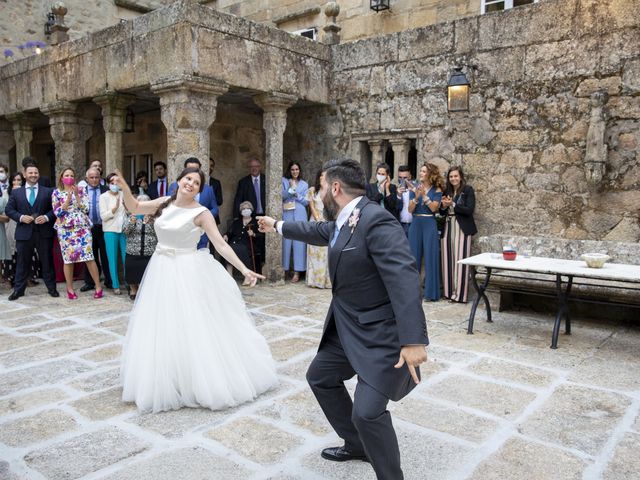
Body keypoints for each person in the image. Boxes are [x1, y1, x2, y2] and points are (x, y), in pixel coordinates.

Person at [258, 159, 428, 480]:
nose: (319, 192)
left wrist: (413, 338)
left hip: (380, 335)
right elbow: (321, 231)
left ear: (335, 188)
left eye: (321, 186)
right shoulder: (344, 220)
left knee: (367, 414)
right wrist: (278, 226)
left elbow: (405, 277)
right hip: (346, 328)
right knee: (320, 376)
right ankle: (357, 445)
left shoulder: (377, 221)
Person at [117, 167, 276, 413]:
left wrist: (244, 269)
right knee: (163, 324)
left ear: (200, 190)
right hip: (161, 269)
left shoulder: (202, 214)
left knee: (192, 323)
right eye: (188, 178)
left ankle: (198, 378)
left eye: (196, 182)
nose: (190, 183)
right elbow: (135, 207)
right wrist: (125, 188)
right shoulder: (164, 203)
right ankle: (169, 377)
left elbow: (220, 245)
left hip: (187, 269)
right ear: (179, 180)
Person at [5, 163, 59, 300]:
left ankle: (52, 288)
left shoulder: (48, 191)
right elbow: (9, 210)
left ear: (38, 174)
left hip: (44, 232)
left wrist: (46, 217)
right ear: (24, 175)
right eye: (30, 173)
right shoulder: (16, 192)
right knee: (22, 262)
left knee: (47, 261)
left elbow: (55, 210)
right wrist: (21, 217)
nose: (33, 175)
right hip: (24, 233)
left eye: (36, 172)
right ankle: (18, 290)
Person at [51, 167, 104, 299]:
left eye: (72, 175)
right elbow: (58, 212)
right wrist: (68, 199)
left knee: (89, 257)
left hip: (82, 227)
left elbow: (86, 208)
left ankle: (98, 286)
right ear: (62, 178)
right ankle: (70, 289)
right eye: (67, 175)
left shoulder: (81, 190)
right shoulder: (56, 193)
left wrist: (76, 196)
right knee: (68, 259)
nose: (69, 177)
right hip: (65, 229)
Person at [440, 166, 477, 303]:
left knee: (460, 260)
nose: (453, 179)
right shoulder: (447, 191)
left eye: (455, 176)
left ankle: (460, 295)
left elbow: (469, 210)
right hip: (448, 225)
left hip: (462, 226)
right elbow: (442, 212)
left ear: (460, 177)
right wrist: (443, 206)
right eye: (451, 176)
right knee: (447, 259)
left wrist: (454, 204)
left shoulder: (467, 190)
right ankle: (449, 293)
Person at [408, 162, 444, 301]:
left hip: (429, 223)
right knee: (413, 257)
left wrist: (424, 196)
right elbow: (410, 210)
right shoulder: (414, 188)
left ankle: (431, 293)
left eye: (424, 171)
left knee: (431, 257)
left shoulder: (437, 190)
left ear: (430, 174)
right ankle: (412, 292)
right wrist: (416, 197)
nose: (421, 173)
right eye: (421, 171)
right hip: (416, 223)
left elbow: (434, 208)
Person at [168, 157, 219, 250]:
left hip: (201, 235)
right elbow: (169, 207)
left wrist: (203, 218)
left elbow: (215, 209)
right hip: (179, 234)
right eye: (189, 169)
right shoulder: (174, 186)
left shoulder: (208, 189)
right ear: (184, 170)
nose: (193, 172)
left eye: (196, 169)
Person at [79, 167, 112, 292]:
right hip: (88, 228)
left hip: (104, 227)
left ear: (100, 178)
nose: (94, 180)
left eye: (96, 177)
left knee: (105, 255)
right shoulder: (81, 192)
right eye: (91, 177)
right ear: (87, 179)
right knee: (89, 255)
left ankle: (109, 281)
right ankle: (90, 282)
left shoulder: (106, 190)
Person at [123, 194, 158, 300]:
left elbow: (159, 232)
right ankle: (133, 289)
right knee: (132, 271)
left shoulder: (155, 216)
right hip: (133, 251)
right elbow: (125, 231)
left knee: (148, 273)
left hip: (149, 251)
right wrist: (132, 220)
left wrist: (152, 220)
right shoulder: (130, 215)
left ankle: (145, 290)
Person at [233, 157, 266, 270]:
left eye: (256, 166)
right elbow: (238, 200)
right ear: (249, 168)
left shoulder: (266, 180)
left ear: (260, 167)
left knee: (265, 239)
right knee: (253, 239)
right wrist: (236, 217)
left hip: (265, 214)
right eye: (252, 167)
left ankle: (263, 262)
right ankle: (253, 266)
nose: (254, 168)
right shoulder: (243, 182)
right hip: (250, 217)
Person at [100, 173, 127, 295]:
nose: (115, 184)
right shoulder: (103, 197)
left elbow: (130, 211)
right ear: (108, 184)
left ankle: (128, 283)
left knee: (126, 258)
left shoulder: (124, 194)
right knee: (112, 259)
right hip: (110, 230)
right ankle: (115, 285)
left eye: (117, 182)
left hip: (124, 230)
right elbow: (103, 216)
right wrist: (114, 208)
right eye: (112, 182)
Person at [223, 201, 261, 286]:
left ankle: (247, 276)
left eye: (247, 208)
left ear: (251, 210)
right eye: (243, 209)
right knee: (229, 248)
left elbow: (262, 235)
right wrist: (226, 235)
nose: (245, 210)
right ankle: (229, 275)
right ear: (240, 211)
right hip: (235, 243)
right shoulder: (237, 222)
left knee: (240, 249)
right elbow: (230, 231)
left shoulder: (256, 222)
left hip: (249, 244)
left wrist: (254, 234)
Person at [281, 161, 309, 282]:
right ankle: (285, 269)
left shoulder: (304, 184)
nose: (295, 172)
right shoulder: (283, 180)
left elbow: (307, 202)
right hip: (287, 213)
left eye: (297, 169)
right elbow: (281, 196)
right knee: (286, 242)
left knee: (299, 243)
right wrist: (290, 190)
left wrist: (296, 193)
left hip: (300, 214)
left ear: (300, 170)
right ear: (289, 170)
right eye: (292, 169)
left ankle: (297, 272)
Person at [306, 170, 331, 289]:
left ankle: (325, 280)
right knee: (314, 250)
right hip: (315, 221)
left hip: (327, 220)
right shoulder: (312, 190)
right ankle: (314, 280)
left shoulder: (330, 190)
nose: (322, 177)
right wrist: (318, 219)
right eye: (321, 175)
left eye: (325, 176)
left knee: (325, 251)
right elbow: (311, 206)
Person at [1, 173, 24, 284]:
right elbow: (6, 211)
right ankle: (10, 277)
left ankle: (27, 277)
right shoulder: (6, 194)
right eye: (14, 180)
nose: (16, 182)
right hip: (10, 225)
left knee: (23, 251)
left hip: (24, 224)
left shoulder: (26, 192)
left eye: (19, 180)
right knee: (11, 250)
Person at [395, 165, 415, 236]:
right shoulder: (394, 190)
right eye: (400, 178)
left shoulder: (416, 189)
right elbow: (396, 208)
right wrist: (398, 195)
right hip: (400, 225)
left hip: (414, 224)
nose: (402, 180)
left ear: (410, 176)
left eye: (405, 178)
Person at [209, 157, 223, 225]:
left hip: (213, 217)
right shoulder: (197, 181)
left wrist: (209, 197)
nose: (209, 168)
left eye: (212, 166)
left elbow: (220, 201)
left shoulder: (216, 182)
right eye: (208, 165)